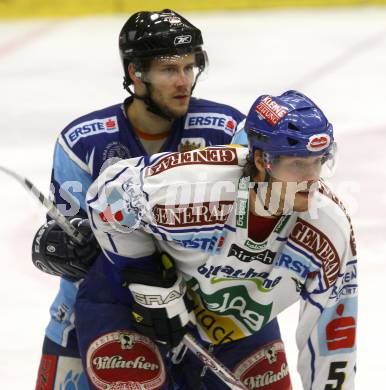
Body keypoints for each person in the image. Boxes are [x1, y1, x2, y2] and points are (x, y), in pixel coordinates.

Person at [31, 9, 289, 390]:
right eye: (170, 70)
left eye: (190, 67)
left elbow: (248, 231)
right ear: (136, 73)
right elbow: (72, 235)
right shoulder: (82, 142)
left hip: (213, 314)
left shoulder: (227, 130)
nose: (184, 81)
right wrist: (58, 247)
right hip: (108, 314)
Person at [78, 89, 357, 390]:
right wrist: (146, 277)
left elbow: (333, 331)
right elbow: (109, 193)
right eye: (298, 165)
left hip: (234, 326)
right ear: (263, 160)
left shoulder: (329, 227)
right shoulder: (193, 188)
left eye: (318, 162)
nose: (312, 178)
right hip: (128, 303)